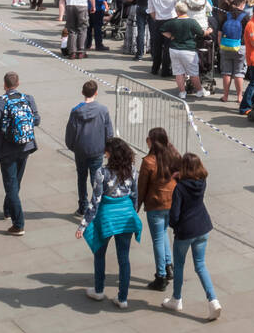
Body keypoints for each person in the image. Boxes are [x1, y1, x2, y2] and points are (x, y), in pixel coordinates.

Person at [78, 137, 143, 309]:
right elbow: (135, 196)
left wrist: (83, 224)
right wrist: (132, 212)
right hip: (126, 217)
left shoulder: (102, 173)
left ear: (110, 154)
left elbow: (95, 201)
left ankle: (99, 290)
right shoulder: (133, 171)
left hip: (106, 217)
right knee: (124, 258)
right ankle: (123, 298)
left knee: (100, 253)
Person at [162, 152, 222, 320]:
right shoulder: (202, 181)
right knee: (200, 265)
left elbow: (174, 215)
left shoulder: (179, 188)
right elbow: (190, 183)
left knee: (179, 265)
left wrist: (173, 225)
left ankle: (176, 298)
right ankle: (213, 301)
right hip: (203, 227)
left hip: (185, 231)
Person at [0, 71, 40, 237]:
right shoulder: (28, 98)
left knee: (11, 185)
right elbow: (37, 120)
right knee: (16, 181)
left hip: (7, 149)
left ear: (4, 85)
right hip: (26, 146)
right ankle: (8, 209)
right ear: (18, 83)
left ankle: (18, 224)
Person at [138, 127, 181, 291]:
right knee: (163, 234)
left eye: (148, 138)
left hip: (155, 203)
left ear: (152, 141)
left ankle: (161, 276)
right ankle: (169, 266)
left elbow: (142, 186)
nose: (146, 140)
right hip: (171, 202)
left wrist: (138, 205)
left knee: (158, 238)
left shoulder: (149, 161)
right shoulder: (172, 156)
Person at [65, 79, 114, 218]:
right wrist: (107, 148)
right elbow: (109, 131)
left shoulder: (76, 111)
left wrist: (72, 146)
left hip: (80, 150)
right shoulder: (103, 110)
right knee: (96, 179)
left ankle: (82, 206)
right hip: (97, 150)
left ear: (82, 92)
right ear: (96, 93)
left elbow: (71, 132)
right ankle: (96, 206)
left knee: (81, 177)